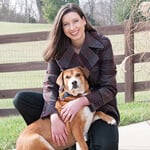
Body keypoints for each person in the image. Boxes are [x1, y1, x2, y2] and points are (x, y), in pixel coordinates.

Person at [13, 3, 120, 150]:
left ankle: (83, 133)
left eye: (75, 21)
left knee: (105, 145)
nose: (72, 27)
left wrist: (82, 101)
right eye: (66, 24)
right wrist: (53, 115)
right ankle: (57, 140)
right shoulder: (58, 49)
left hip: (99, 103)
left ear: (83, 20)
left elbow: (110, 88)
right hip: (65, 105)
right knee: (22, 99)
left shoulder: (102, 43)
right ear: (61, 28)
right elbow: (50, 84)